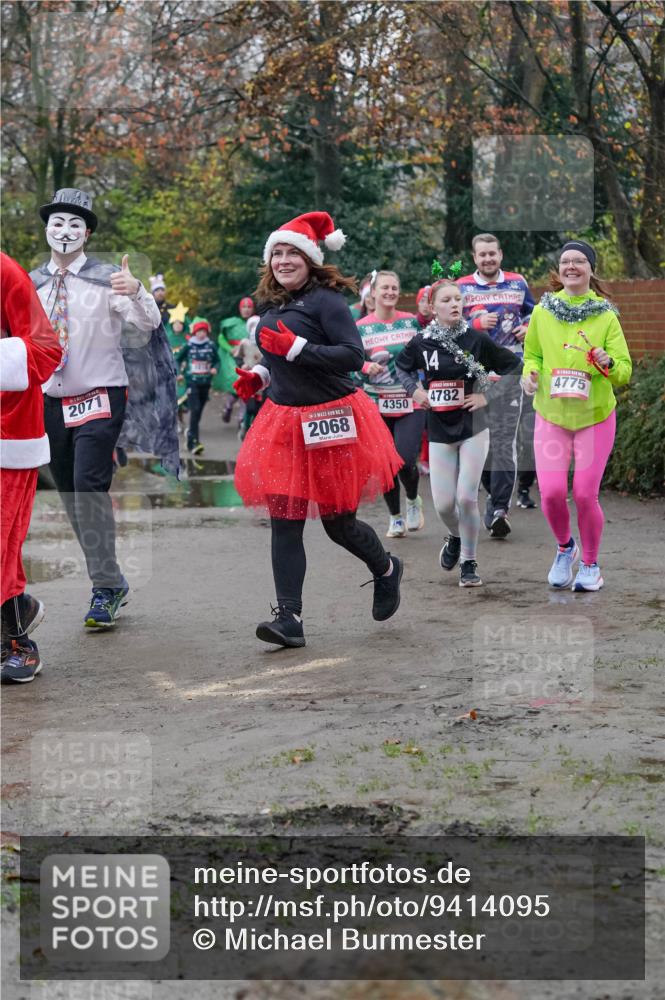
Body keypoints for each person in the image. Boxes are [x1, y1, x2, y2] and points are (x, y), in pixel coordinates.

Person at [233, 211, 404, 648]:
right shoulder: (273, 306)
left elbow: (351, 355)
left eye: (293, 253)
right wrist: (260, 376)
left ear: (311, 259)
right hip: (285, 421)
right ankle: (289, 618)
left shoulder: (328, 301)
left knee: (338, 524)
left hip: (333, 418)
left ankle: (386, 569)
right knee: (285, 522)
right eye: (277, 253)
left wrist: (297, 347)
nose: (283, 261)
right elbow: (280, 362)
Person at [30, 188, 177, 630]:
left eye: (76, 223)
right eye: (58, 222)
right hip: (51, 400)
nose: (65, 230)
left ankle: (104, 588)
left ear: (87, 233)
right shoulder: (31, 282)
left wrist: (137, 292)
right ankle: (112, 579)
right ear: (47, 228)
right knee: (72, 497)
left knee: (87, 487)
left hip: (100, 397)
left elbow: (148, 324)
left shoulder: (107, 277)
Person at [395, 276, 520, 586]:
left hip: (474, 427)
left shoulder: (476, 340)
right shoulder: (422, 341)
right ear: (432, 307)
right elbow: (402, 366)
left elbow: (513, 366)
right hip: (439, 429)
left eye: (457, 299)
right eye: (446, 300)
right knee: (443, 505)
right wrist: (414, 391)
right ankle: (453, 536)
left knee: (466, 498)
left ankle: (469, 561)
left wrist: (486, 396)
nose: (454, 304)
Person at [522, 240, 631, 591]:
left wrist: (607, 362)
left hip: (595, 417)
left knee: (585, 494)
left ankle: (590, 565)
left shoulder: (605, 315)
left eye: (579, 261)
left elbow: (624, 371)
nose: (571, 266)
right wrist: (530, 375)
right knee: (552, 493)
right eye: (566, 261)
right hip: (552, 416)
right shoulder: (542, 312)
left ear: (590, 269)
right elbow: (532, 356)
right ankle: (565, 547)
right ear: (559, 269)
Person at [1, 252, 63, 682]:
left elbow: (46, 348)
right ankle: (18, 609)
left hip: (8, 433)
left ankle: (17, 641)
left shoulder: (5, 272)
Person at [458, 233, 536, 537]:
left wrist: (527, 327)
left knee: (504, 442)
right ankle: (492, 497)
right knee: (482, 445)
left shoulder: (518, 282)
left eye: (493, 253)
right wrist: (474, 325)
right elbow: (449, 324)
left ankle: (500, 509)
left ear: (500, 255)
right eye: (482, 255)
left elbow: (533, 314)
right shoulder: (462, 287)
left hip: (509, 371)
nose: (488, 259)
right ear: (474, 257)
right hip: (474, 375)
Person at [356, 270, 425, 537]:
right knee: (385, 464)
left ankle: (412, 500)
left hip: (410, 400)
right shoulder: (361, 327)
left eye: (394, 288)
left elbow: (424, 355)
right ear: (373, 293)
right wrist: (365, 366)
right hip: (376, 403)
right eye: (384, 288)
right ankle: (395, 517)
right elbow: (351, 363)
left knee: (405, 460)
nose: (390, 292)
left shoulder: (410, 323)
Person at [176, 317, 220, 454]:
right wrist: (179, 373)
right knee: (194, 410)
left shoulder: (211, 345)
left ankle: (190, 434)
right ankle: (194, 442)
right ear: (195, 333)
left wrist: (215, 368)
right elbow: (176, 359)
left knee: (198, 411)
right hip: (192, 382)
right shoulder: (189, 345)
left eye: (204, 331)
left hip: (205, 383)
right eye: (199, 331)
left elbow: (217, 361)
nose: (202, 334)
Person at [220, 297, 256, 422]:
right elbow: (221, 338)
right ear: (240, 309)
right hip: (233, 358)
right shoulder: (230, 323)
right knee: (237, 383)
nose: (246, 310)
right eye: (244, 307)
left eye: (249, 307)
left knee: (245, 384)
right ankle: (228, 406)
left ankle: (242, 416)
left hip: (249, 358)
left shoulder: (256, 323)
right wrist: (230, 349)